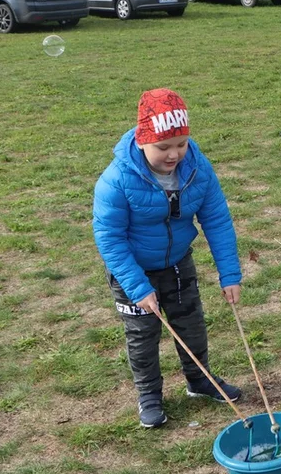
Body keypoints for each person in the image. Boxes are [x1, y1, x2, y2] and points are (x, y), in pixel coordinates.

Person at [93, 88, 243, 428]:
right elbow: (110, 238)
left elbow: (216, 218)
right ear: (143, 140)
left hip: (178, 263)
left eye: (181, 143)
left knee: (191, 325)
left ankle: (199, 380)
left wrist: (229, 273)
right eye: (163, 147)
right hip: (133, 270)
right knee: (143, 336)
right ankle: (149, 395)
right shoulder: (116, 180)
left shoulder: (197, 169)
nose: (174, 154)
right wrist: (137, 288)